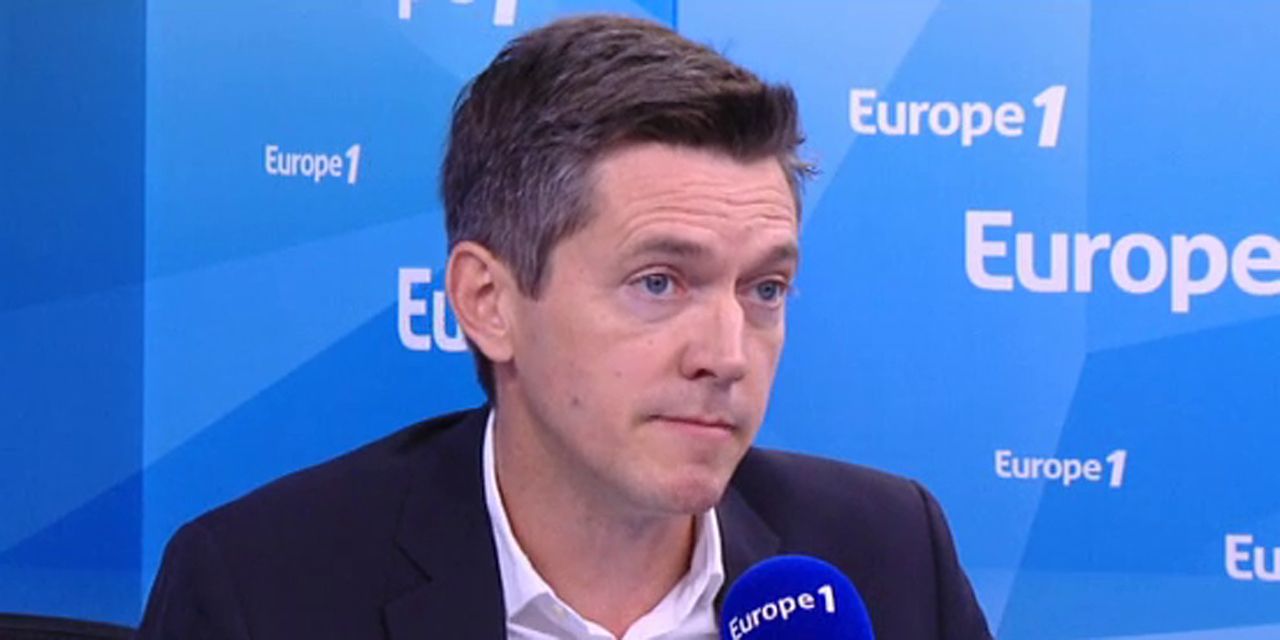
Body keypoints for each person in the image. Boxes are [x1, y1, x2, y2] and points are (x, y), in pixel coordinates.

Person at [138, 15, 992, 640]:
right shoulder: (263, 591)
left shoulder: (888, 556)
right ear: (488, 302)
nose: (728, 356)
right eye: (659, 282)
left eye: (765, 289)